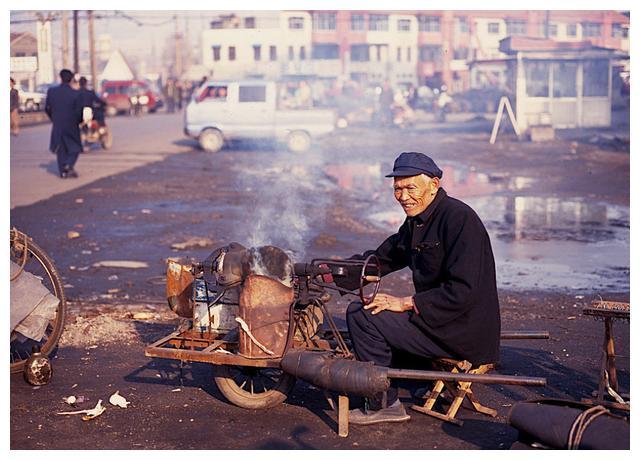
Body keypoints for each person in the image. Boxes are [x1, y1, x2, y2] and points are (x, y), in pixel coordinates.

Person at [341, 151, 501, 425]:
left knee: (361, 315)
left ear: (434, 185)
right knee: (369, 310)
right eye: (397, 189)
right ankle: (414, 380)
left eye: (410, 188)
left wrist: (405, 302)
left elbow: (463, 291)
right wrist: (335, 273)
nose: (403, 196)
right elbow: (384, 259)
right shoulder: (418, 220)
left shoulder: (459, 219)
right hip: (438, 322)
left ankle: (384, 405)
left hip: (462, 330)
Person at [45, 69, 83, 178]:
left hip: (58, 124)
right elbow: (79, 111)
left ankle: (62, 172)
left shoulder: (52, 92)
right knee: (75, 147)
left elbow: (47, 108)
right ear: (71, 79)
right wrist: (79, 121)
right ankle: (68, 164)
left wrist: (54, 118)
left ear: (60, 78)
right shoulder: (76, 94)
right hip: (72, 124)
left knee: (61, 148)